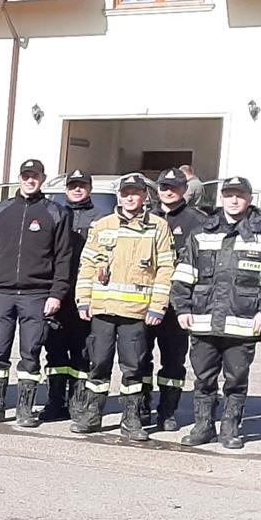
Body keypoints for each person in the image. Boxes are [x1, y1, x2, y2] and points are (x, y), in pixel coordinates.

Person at [171, 177, 261, 450]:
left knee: (236, 378)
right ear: (221, 198)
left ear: (249, 199)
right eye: (229, 195)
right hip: (203, 319)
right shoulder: (202, 232)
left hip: (243, 321)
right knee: (203, 378)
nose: (233, 200)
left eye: (239, 196)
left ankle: (230, 428)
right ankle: (203, 426)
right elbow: (184, 274)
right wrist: (182, 308)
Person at [71, 173, 175, 440]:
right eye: (125, 192)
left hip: (136, 313)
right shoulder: (102, 225)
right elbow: (88, 265)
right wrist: (83, 300)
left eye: (135, 193)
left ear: (144, 196)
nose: (130, 197)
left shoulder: (158, 227)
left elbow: (165, 269)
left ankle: (131, 420)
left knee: (134, 368)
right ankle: (92, 415)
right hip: (103, 310)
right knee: (99, 364)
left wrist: (157, 306)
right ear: (119, 195)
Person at [0, 159, 74, 427]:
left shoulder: (56, 213)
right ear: (19, 178)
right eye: (25, 176)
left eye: (35, 176)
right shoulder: (0, 211)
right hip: (2, 294)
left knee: (30, 352)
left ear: (43, 179)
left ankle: (25, 409)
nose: (30, 181)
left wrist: (57, 293)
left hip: (37, 294)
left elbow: (63, 258)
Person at [145, 168, 208, 432]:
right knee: (139, 358)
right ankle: (140, 406)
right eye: (163, 187)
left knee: (173, 360)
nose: (168, 191)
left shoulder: (197, 221)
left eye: (174, 187)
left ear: (184, 190)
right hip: (145, 301)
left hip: (178, 305)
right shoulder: (145, 218)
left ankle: (167, 411)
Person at [42, 170, 100, 422]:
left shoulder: (101, 218)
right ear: (66, 189)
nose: (77, 190)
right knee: (54, 350)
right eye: (73, 186)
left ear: (89, 188)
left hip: (85, 294)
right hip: (58, 293)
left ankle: (78, 402)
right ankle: (55, 401)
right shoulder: (54, 214)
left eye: (82, 185)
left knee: (82, 351)